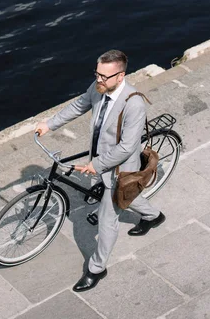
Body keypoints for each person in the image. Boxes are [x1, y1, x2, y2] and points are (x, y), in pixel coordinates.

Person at [35, 49, 165, 292]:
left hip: (119, 169)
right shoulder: (99, 87)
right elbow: (79, 105)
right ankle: (154, 216)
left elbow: (127, 147)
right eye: (96, 74)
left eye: (104, 77)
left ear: (121, 75)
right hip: (100, 161)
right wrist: (49, 124)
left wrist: (96, 165)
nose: (98, 80)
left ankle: (97, 268)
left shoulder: (133, 103)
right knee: (127, 198)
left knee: (107, 220)